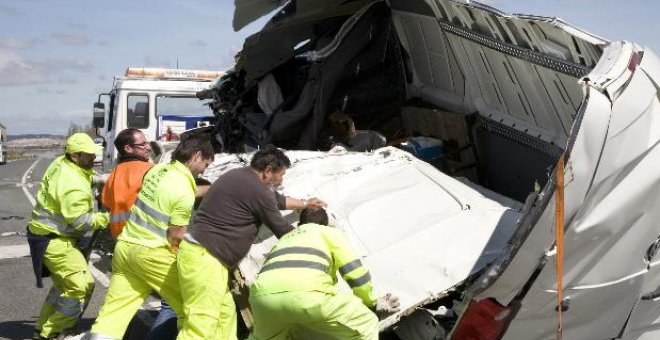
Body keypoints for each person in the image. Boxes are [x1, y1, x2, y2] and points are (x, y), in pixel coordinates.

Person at [176, 145, 325, 339]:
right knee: (202, 323)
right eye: (280, 175)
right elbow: (282, 229)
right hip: (206, 260)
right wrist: (316, 239)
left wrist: (305, 204)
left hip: (202, 256)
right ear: (268, 171)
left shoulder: (240, 176)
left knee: (225, 314)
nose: (281, 180)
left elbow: (277, 200)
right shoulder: (257, 190)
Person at [89, 134, 215, 340]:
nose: (204, 170)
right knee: (192, 305)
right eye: (205, 164)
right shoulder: (183, 191)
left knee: (113, 314)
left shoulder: (157, 170)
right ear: (196, 156)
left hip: (125, 249)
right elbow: (176, 237)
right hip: (152, 255)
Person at [248, 208, 400, 340]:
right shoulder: (328, 232)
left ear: (300, 224)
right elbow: (355, 272)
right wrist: (371, 304)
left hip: (261, 298)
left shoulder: (284, 240)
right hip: (307, 295)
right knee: (366, 324)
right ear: (325, 224)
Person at [26, 133, 110, 340]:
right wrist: (109, 218)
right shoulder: (72, 184)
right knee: (81, 287)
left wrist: (96, 179)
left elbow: (80, 175)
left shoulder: (61, 163)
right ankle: (52, 333)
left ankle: (41, 329)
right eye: (89, 155)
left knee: (63, 287)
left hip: (43, 236)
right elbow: (81, 221)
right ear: (74, 156)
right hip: (56, 241)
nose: (94, 158)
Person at [101, 128, 152, 239]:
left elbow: (107, 203)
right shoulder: (151, 170)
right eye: (143, 144)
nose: (148, 147)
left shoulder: (114, 173)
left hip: (120, 241)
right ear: (128, 148)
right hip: (145, 240)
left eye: (147, 143)